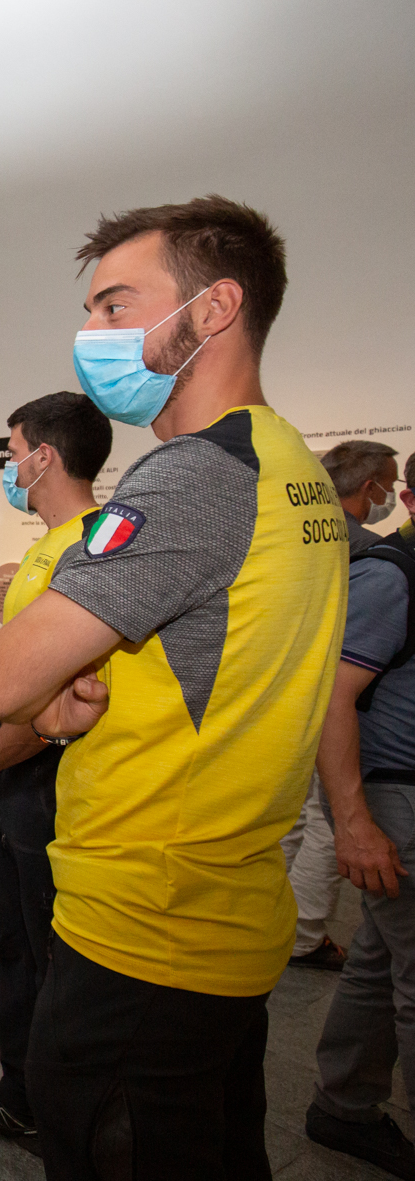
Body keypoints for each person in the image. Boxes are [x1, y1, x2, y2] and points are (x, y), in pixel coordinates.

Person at [0, 195, 347, 1178]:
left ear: (213, 308)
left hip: (143, 926)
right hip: (220, 917)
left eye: (114, 305)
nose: (91, 333)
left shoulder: (193, 476)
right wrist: (62, 705)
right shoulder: (290, 464)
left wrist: (37, 690)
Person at [0, 391, 112, 1141]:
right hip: (17, 775)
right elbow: (14, 681)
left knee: (48, 954)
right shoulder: (47, 545)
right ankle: (23, 1091)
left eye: (11, 453)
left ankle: (52, 1112)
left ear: (45, 455)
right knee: (18, 942)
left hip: (54, 779)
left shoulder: (90, 550)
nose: (7, 467)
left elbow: (53, 710)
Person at [304, 459, 415, 1177]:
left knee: (378, 955)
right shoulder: (390, 575)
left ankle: (343, 1105)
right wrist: (354, 821)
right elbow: (332, 698)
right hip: (397, 797)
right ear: (403, 496)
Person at [283, 441, 407, 972]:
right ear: (370, 486)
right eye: (391, 485)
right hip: (327, 702)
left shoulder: (291, 532)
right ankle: (304, 933)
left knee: (291, 818)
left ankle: (281, 926)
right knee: (320, 817)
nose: (391, 496)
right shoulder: (367, 550)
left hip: (282, 693)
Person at [325, 439, 401, 556]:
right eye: (391, 484)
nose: (392, 492)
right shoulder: (374, 548)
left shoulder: (307, 531)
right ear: (371, 488)